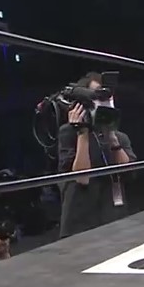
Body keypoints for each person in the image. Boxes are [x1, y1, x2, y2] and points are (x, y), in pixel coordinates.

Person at [57, 71, 137, 239]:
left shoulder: (120, 137)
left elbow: (128, 173)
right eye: (97, 96)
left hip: (113, 218)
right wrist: (82, 133)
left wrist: (112, 136)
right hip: (81, 222)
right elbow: (82, 178)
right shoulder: (68, 133)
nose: (102, 102)